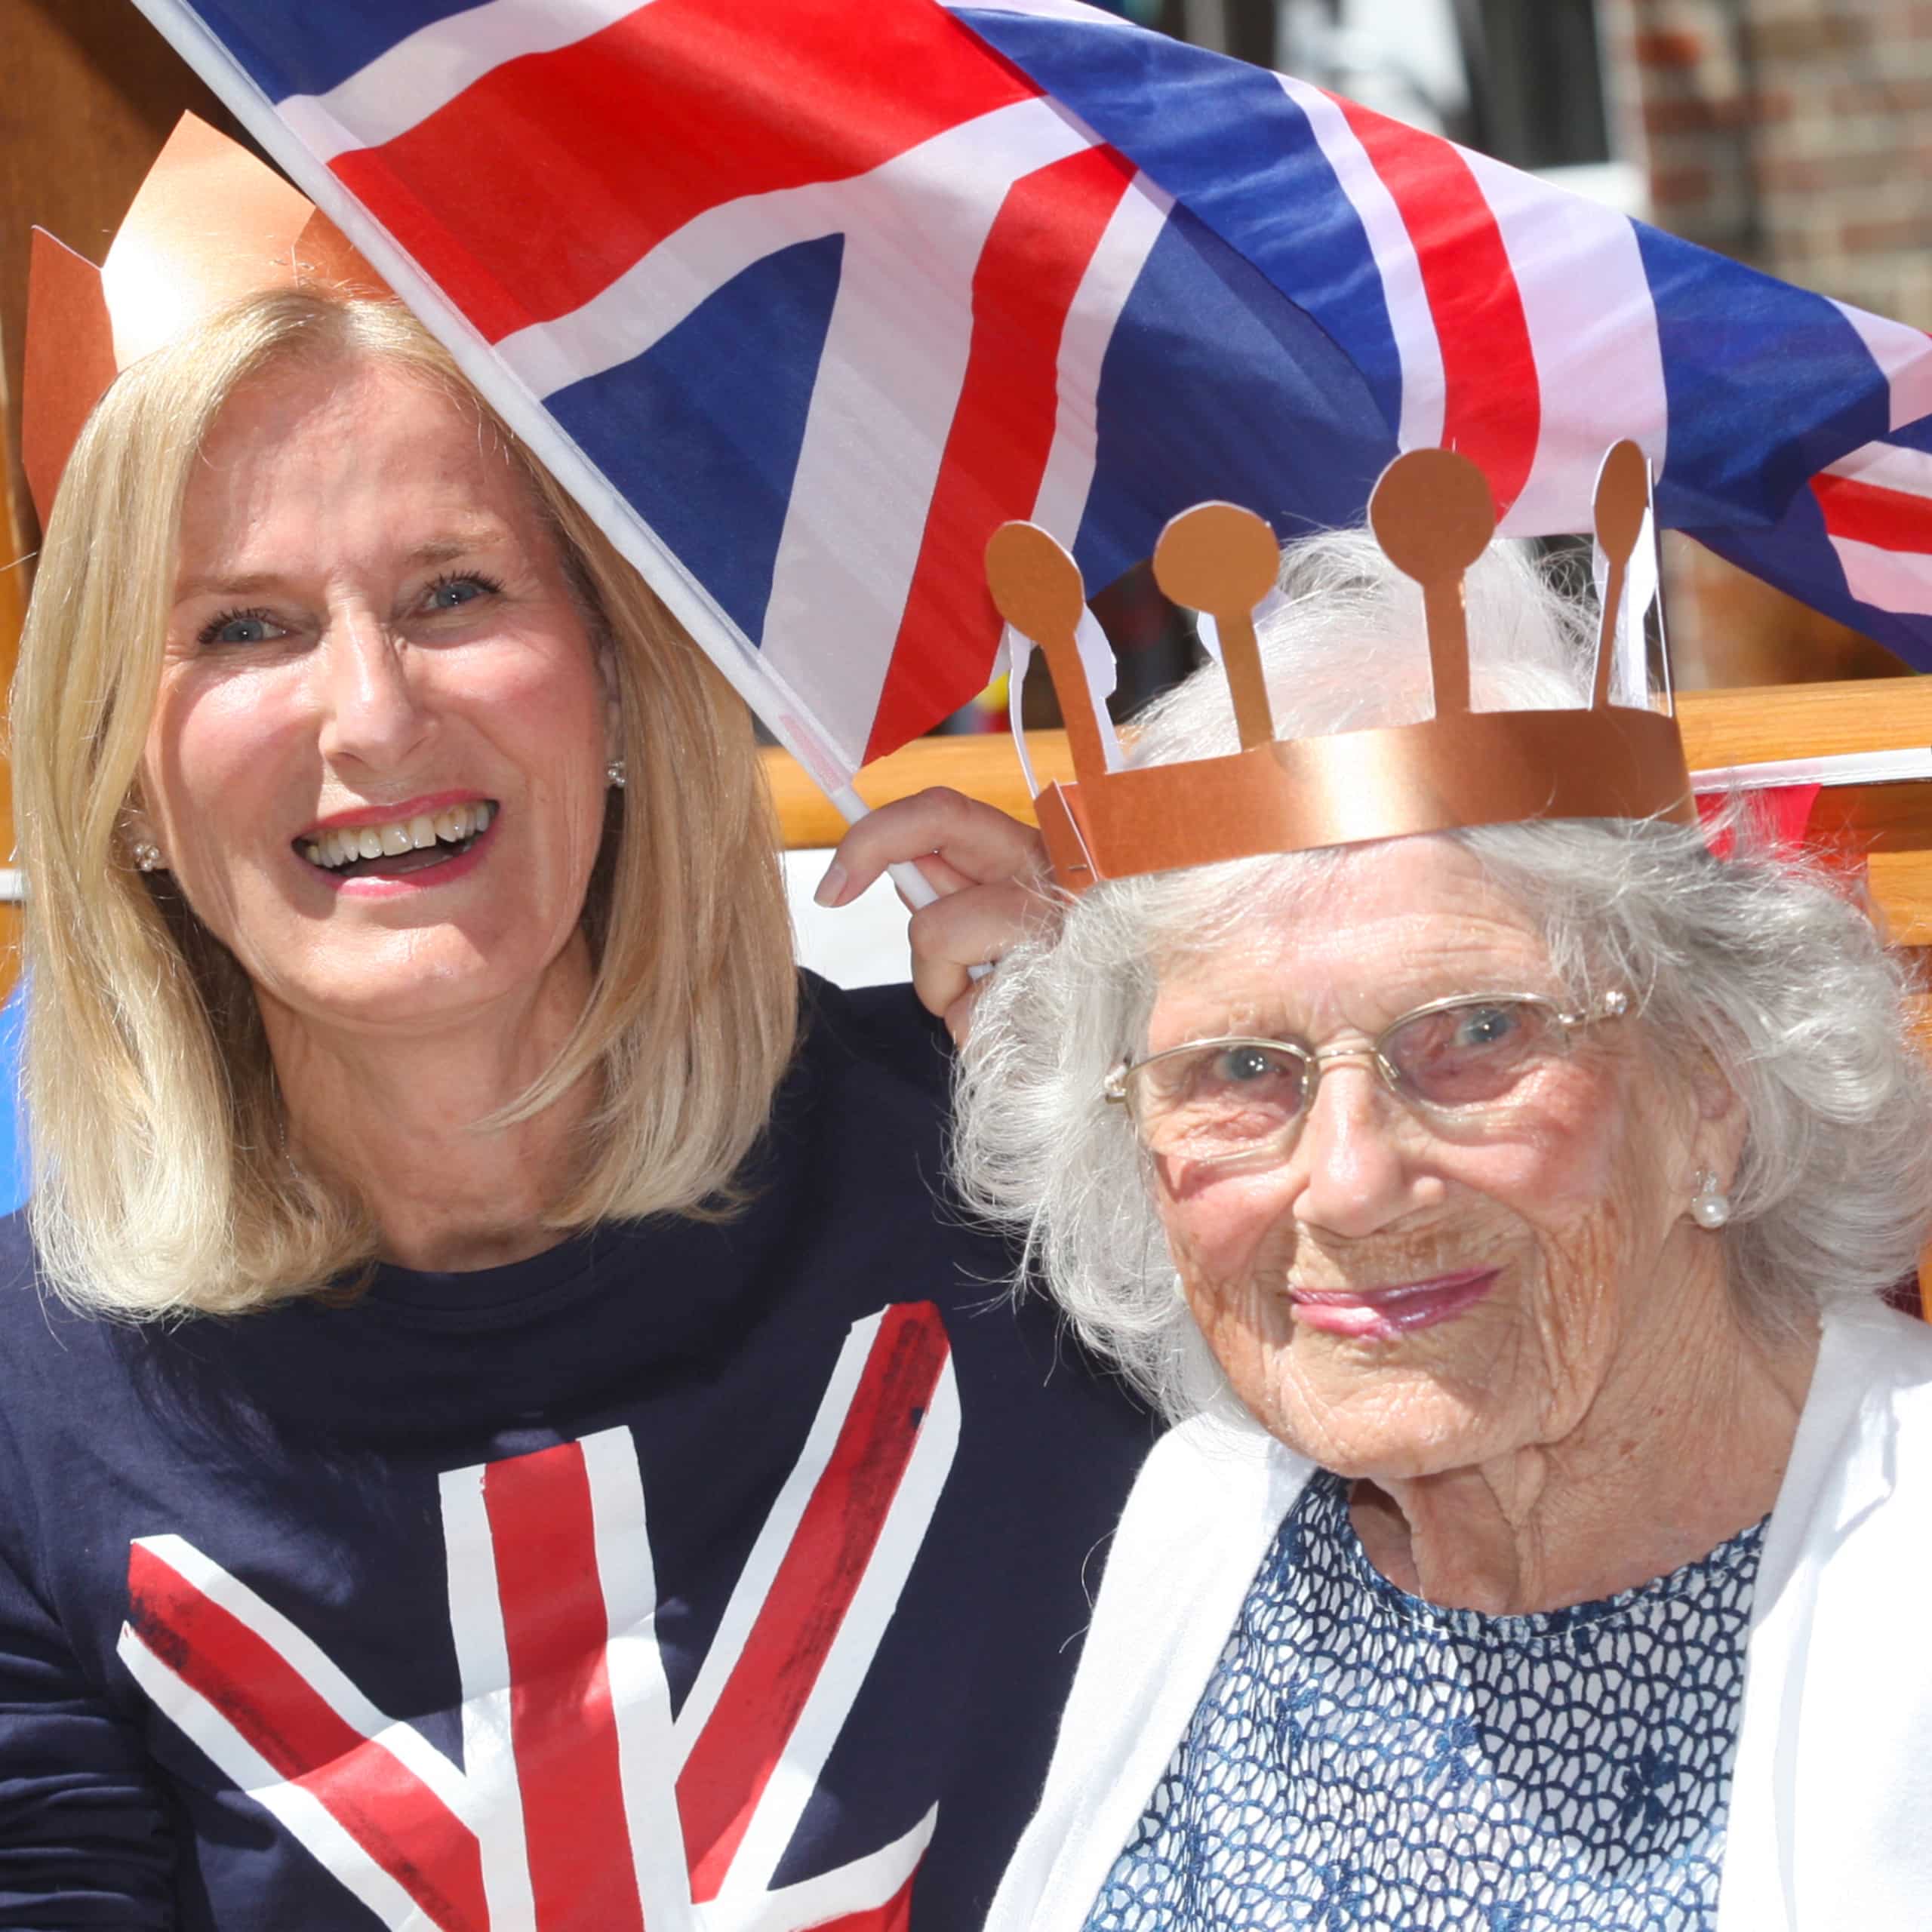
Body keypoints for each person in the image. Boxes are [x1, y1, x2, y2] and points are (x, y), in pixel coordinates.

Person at [0, 224, 1147, 1925]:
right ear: (122, 790)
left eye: (452, 592)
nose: (372, 717)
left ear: (613, 674)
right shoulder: (32, 1414)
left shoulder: (992, 1155)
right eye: (242, 628)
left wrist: (1175, 1114)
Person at [964, 524, 1932, 1928]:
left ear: (1713, 1089)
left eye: (1479, 1034)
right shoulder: (1208, 1509)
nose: (1351, 1182)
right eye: (1240, 1069)